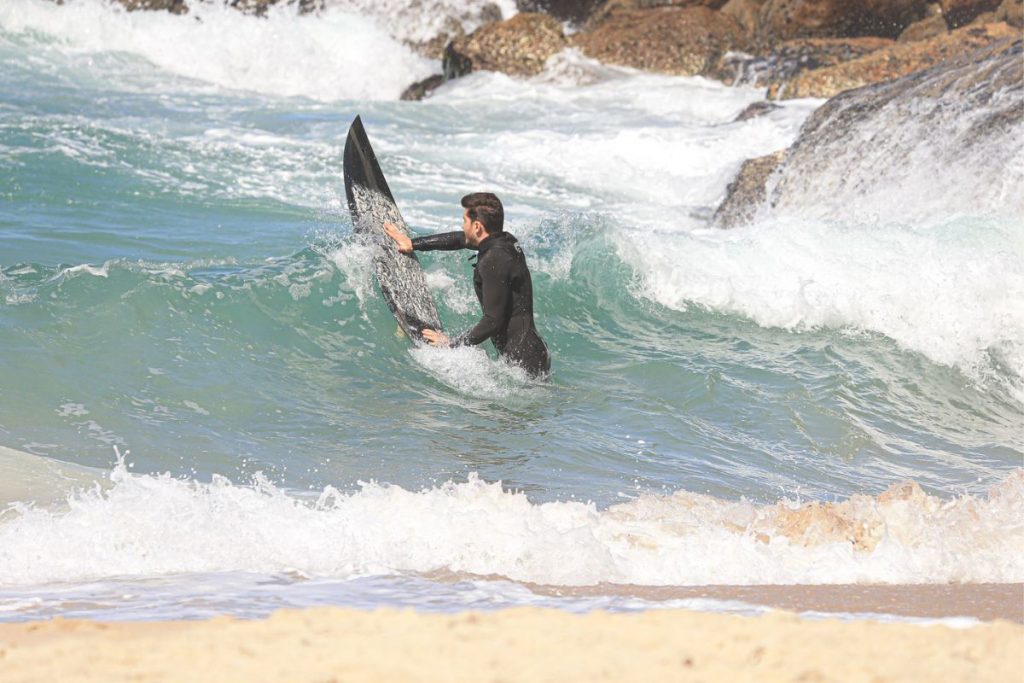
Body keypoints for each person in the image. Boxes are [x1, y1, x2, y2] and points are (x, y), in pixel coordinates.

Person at [383, 192, 551, 378]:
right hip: (531, 351)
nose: (463, 226)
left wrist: (452, 344)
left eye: (465, 221)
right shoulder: (505, 242)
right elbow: (460, 239)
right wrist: (413, 244)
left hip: (523, 360)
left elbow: (493, 321)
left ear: (477, 226)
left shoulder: (493, 260)